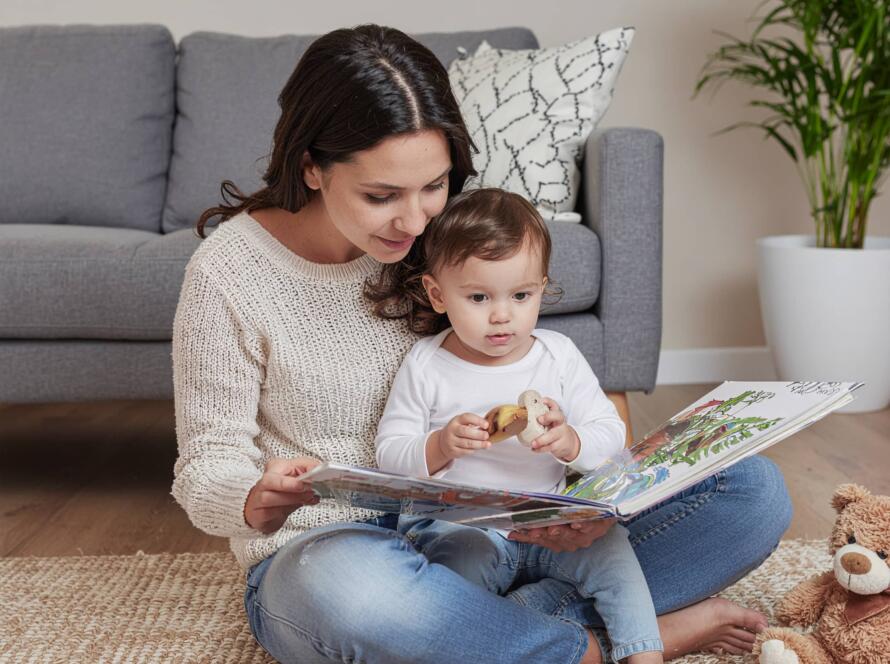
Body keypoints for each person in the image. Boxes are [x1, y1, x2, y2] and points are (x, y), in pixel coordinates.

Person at [170, 23, 793, 664]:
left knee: (752, 491)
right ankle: (606, 646)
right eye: (381, 196)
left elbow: (548, 372)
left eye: (434, 186)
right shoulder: (230, 274)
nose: (415, 221)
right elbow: (204, 467)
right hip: (340, 551)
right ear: (312, 168)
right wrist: (251, 498)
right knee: (350, 596)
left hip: (509, 535)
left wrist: (584, 492)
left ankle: (494, 638)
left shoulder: (446, 238)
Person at [374, 188, 663, 662]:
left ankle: (643, 652)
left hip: (548, 524)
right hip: (461, 526)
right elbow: (390, 452)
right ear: (437, 294)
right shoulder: (426, 363)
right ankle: (503, 633)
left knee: (612, 551)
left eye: (522, 295)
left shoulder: (558, 356)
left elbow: (610, 435)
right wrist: (441, 445)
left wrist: (570, 441)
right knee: (454, 580)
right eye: (479, 296)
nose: (502, 315)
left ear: (543, 287)